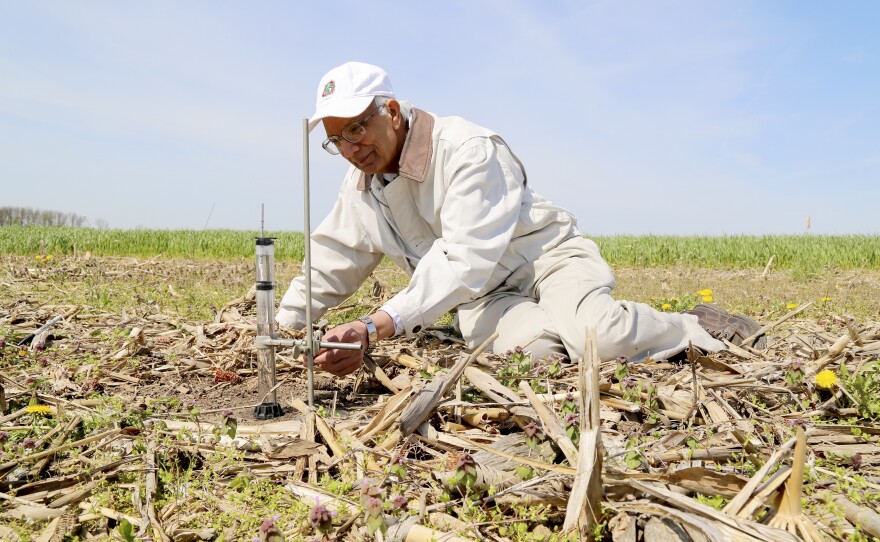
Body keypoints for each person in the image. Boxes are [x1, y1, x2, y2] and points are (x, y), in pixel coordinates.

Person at [277, 61, 762, 377]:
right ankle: (576, 332)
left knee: (599, 335)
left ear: (394, 111)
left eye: (359, 127)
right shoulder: (362, 187)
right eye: (337, 139)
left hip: (546, 262)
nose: (350, 148)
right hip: (486, 297)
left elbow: (462, 260)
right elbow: (334, 258)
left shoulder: (467, 150)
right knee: (534, 360)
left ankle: (694, 324)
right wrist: (282, 327)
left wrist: (374, 326)